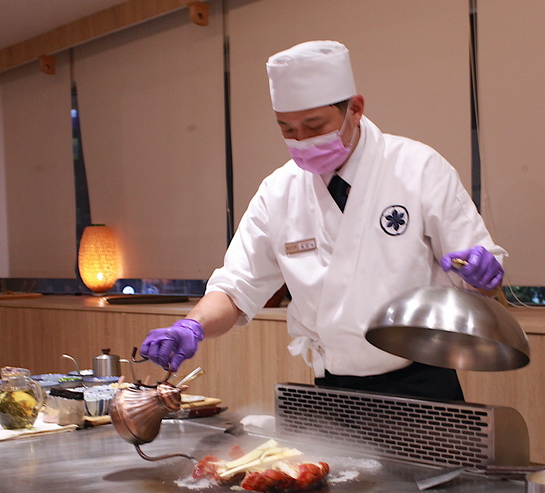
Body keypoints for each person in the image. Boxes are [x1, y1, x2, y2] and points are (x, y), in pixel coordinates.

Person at [140, 40, 506, 401]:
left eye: (314, 126)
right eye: (288, 130)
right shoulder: (279, 191)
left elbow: (477, 277)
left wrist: (482, 275)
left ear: (355, 109)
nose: (302, 141)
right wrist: (192, 325)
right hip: (333, 387)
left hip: (424, 379)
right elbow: (237, 286)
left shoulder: (418, 168)